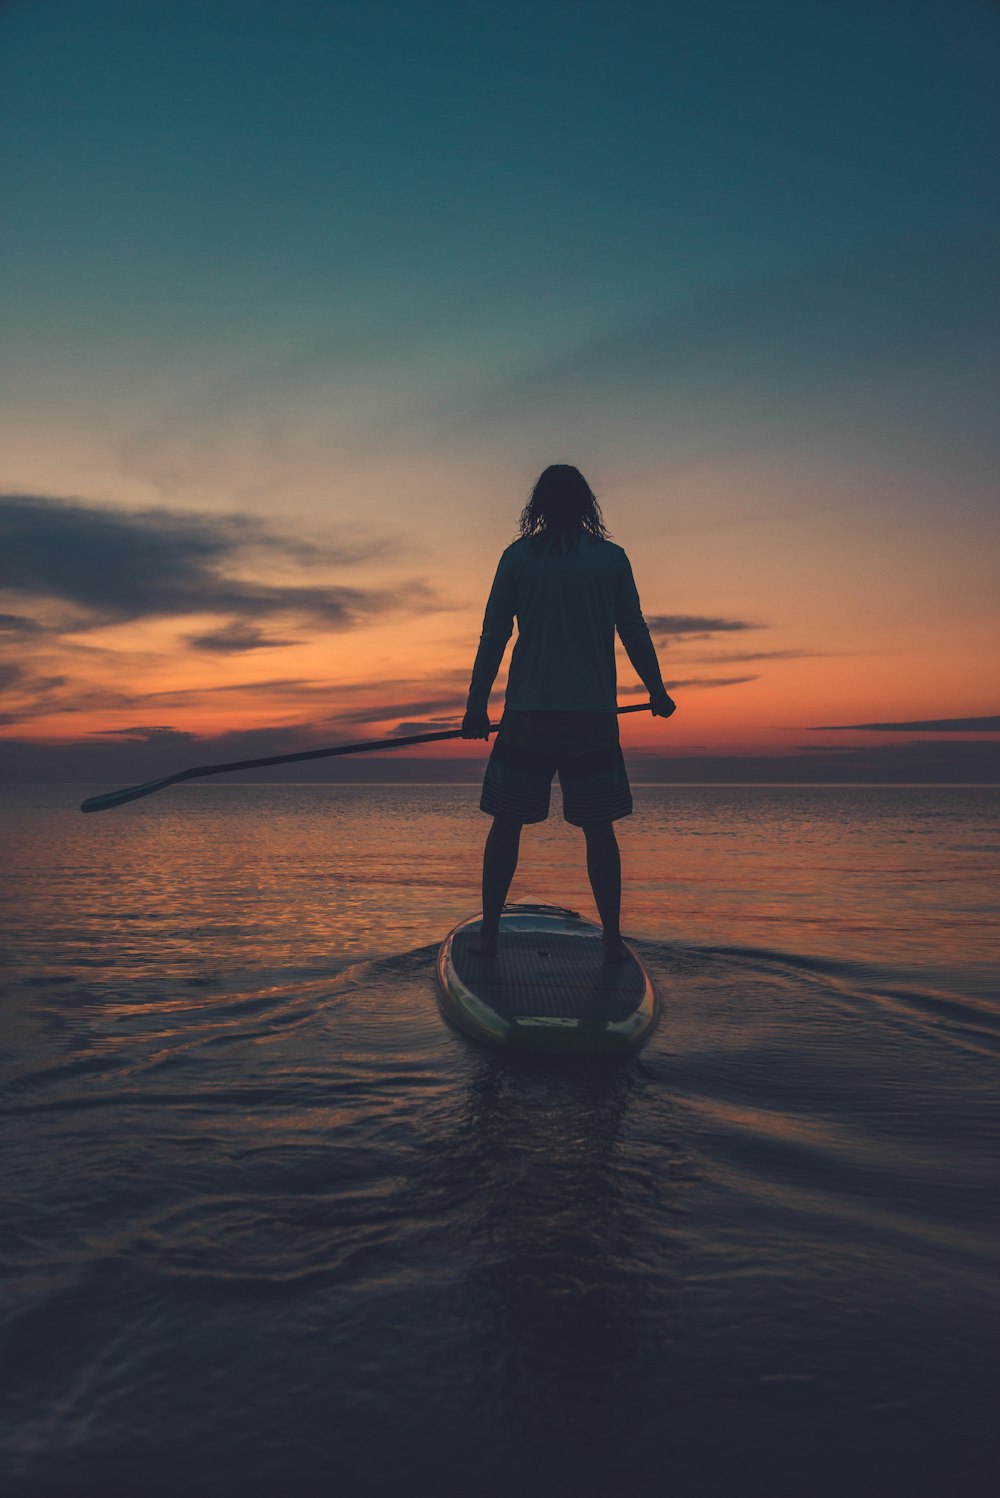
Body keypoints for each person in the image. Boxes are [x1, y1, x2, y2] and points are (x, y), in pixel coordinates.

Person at [461, 464, 676, 959]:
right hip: (591, 719)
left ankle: (491, 931)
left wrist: (476, 706)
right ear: (586, 506)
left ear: (538, 505)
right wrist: (657, 690)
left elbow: (494, 636)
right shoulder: (610, 560)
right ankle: (614, 939)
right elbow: (634, 630)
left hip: (529, 717)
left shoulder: (518, 558)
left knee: (506, 823)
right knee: (599, 828)